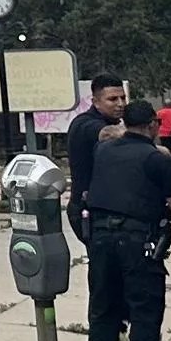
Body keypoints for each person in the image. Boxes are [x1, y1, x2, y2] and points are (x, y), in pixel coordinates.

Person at [82, 99, 171, 341]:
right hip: (138, 240)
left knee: (103, 306)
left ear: (125, 123)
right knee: (145, 309)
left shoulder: (103, 151)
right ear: (154, 124)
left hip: (100, 239)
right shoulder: (158, 160)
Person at [64, 75, 126, 232]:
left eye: (123, 98)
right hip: (88, 210)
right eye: (112, 99)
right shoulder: (85, 123)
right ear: (96, 102)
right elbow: (107, 133)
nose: (120, 104)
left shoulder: (110, 121)